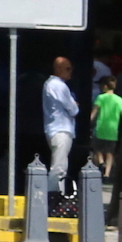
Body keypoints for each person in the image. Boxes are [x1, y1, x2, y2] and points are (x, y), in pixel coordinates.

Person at [42, 56, 81, 190]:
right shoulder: (58, 85)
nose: (70, 71)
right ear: (58, 68)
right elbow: (73, 109)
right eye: (68, 68)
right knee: (59, 167)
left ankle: (55, 195)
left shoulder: (52, 84)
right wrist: (74, 105)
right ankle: (53, 197)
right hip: (61, 130)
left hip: (57, 129)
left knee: (61, 165)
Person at [89, 74, 122, 183]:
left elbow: (94, 112)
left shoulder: (100, 97)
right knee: (110, 152)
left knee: (97, 149)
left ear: (105, 86)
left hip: (100, 128)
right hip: (112, 130)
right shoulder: (119, 100)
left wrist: (89, 122)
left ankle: (100, 162)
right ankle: (107, 173)